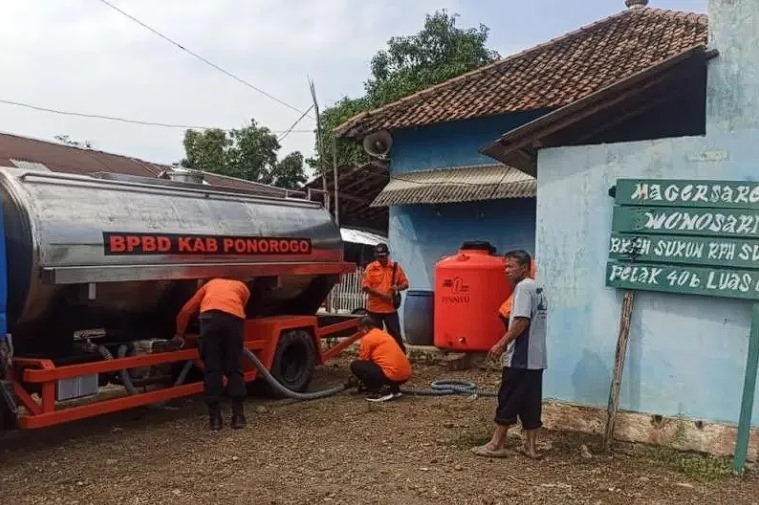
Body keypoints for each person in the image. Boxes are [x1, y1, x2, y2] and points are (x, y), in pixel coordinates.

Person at [472, 250, 548, 459]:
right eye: (505, 266)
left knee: (508, 397)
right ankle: (530, 446)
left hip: (521, 358)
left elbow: (521, 321)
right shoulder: (537, 287)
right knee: (531, 401)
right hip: (537, 357)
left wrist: (500, 344)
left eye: (511, 266)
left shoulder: (523, 289)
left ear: (524, 267)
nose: (506, 271)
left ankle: (497, 444)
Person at [175, 277, 251, 431]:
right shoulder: (242, 286)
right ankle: (238, 417)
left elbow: (186, 310)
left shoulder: (208, 285)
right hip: (233, 320)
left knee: (212, 369)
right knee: (234, 367)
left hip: (209, 321)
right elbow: (240, 308)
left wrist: (180, 334)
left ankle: (215, 419)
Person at [349, 316, 412, 402]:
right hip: (404, 375)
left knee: (356, 365)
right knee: (382, 364)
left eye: (360, 329)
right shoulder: (383, 334)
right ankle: (394, 390)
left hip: (392, 375)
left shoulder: (368, 338)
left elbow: (363, 360)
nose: (361, 332)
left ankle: (380, 391)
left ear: (365, 328)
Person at [362, 243, 409, 353]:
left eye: (383, 256)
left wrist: (397, 288)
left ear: (387, 254)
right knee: (374, 336)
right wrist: (383, 297)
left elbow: (405, 283)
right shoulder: (370, 268)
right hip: (374, 309)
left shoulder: (396, 267)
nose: (381, 258)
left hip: (390, 309)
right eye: (379, 256)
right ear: (375, 256)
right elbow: (366, 287)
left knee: (395, 335)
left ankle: (401, 356)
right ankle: (376, 357)